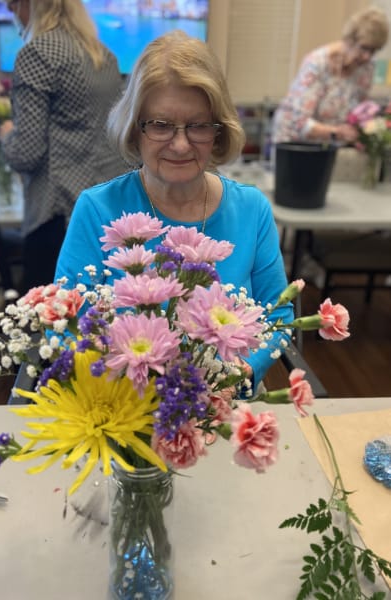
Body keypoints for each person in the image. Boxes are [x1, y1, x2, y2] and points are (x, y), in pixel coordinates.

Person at [55, 30, 294, 391]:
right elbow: (63, 322)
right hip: (124, 403)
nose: (181, 145)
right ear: (135, 129)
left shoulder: (251, 209)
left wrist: (239, 376)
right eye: (161, 125)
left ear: (218, 131)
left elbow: (278, 315)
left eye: (198, 125)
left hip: (227, 404)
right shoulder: (97, 208)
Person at [0, 0, 128, 292]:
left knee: (45, 326)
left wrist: (5, 135)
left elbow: (26, 153)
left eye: (14, 3)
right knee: (93, 322)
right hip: (101, 210)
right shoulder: (104, 56)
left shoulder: (37, 54)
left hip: (57, 214)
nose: (10, 11)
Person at [272, 6, 389, 144]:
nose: (367, 57)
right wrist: (337, 132)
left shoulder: (367, 68)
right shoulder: (317, 63)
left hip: (331, 146)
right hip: (295, 144)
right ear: (349, 39)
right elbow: (298, 122)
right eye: (364, 48)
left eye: (374, 51)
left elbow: (359, 112)